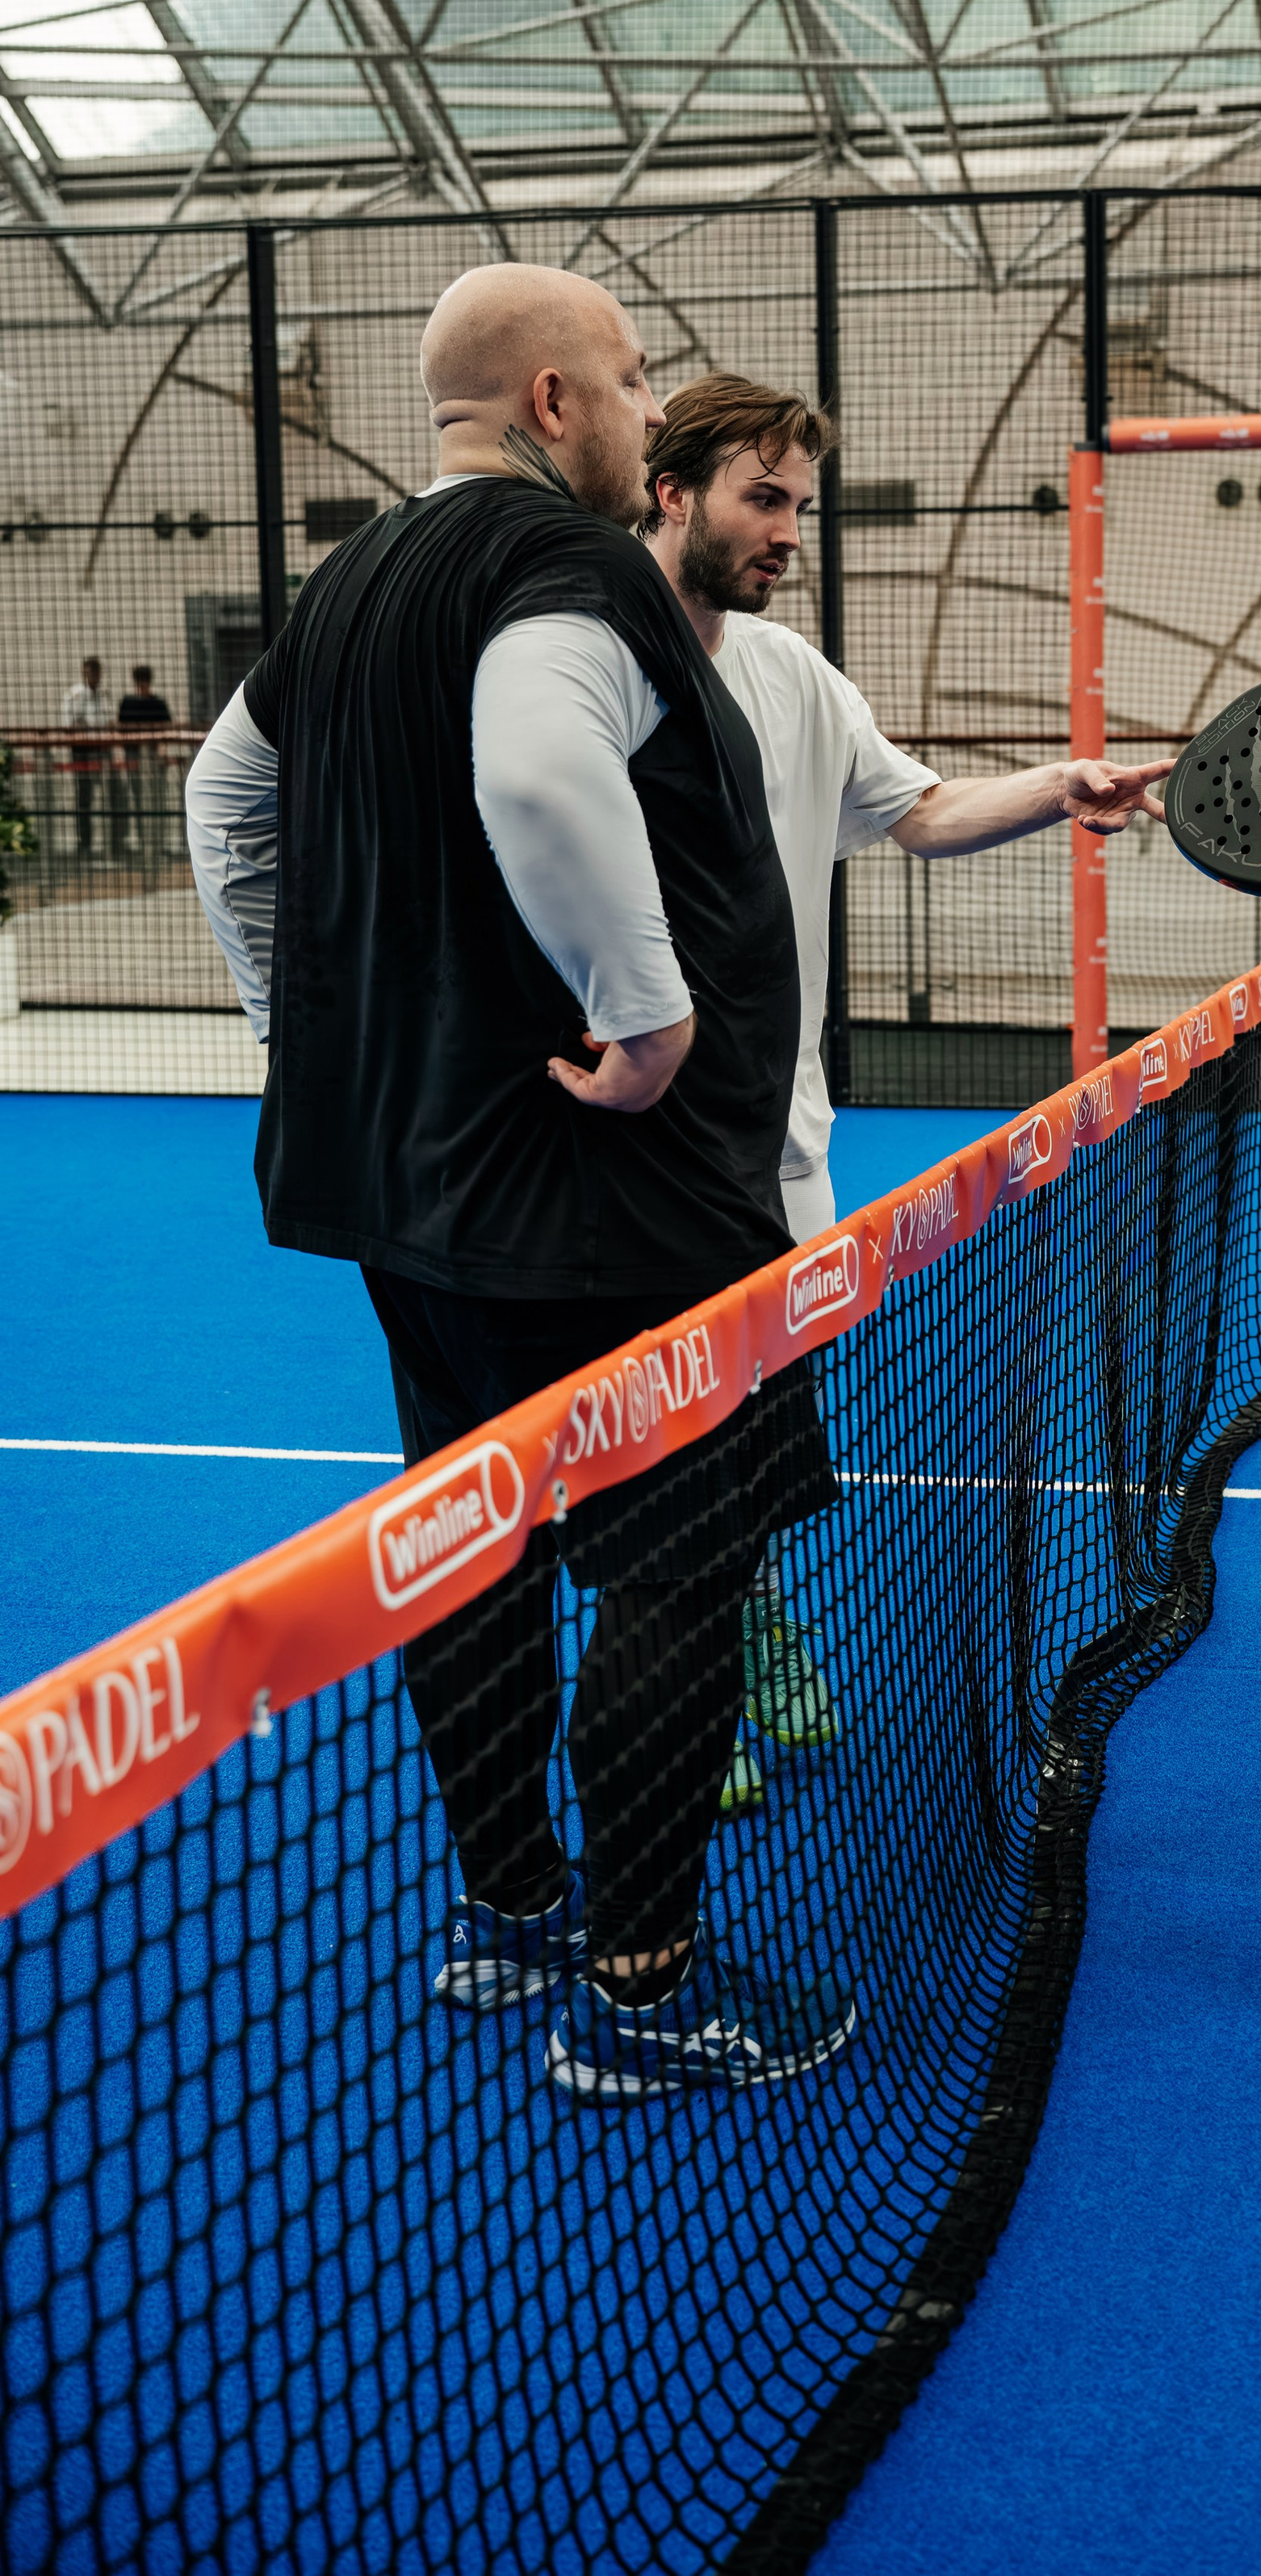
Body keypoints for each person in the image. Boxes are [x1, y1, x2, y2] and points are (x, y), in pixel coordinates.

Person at [186, 263, 855, 2109]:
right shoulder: (566, 568)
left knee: (470, 1540)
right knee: (678, 1561)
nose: (652, 418)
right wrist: (644, 1019)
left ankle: (510, 1910)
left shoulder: (348, 587)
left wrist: (298, 1026)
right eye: (636, 381)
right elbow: (541, 767)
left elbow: (221, 805)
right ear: (553, 401)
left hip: (408, 1191)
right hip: (604, 1195)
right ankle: (641, 1985)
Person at [637, 373, 1174, 1807]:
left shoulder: (794, 677)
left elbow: (920, 815)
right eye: (765, 500)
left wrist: (1063, 786)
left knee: (756, 1428)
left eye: (798, 506)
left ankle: (749, 1626)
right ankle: (677, 1687)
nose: (788, 533)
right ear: (671, 491)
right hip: (626, 1151)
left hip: (781, 1144)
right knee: (649, 1449)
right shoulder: (584, 668)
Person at [117, 664, 173, 864]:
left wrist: (161, 750)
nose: (143, 686)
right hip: (135, 762)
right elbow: (122, 731)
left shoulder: (157, 703)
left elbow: (166, 731)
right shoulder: (128, 703)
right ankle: (144, 843)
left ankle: (158, 844)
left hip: (154, 762)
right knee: (140, 801)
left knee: (158, 802)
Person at [61, 655, 112, 863]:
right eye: (90, 672)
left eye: (96, 672)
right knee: (84, 799)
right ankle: (85, 845)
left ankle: (112, 846)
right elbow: (70, 725)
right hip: (82, 751)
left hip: (102, 749)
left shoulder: (104, 695)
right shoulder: (74, 695)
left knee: (110, 796)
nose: (94, 676)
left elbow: (109, 721)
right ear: (84, 673)